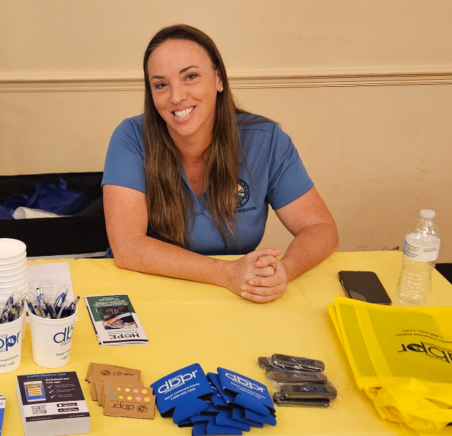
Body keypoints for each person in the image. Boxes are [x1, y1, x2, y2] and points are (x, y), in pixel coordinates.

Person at [102, 25, 338, 303]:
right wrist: (226, 273)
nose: (176, 97)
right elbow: (127, 247)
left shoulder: (266, 140)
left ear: (219, 79)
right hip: (150, 292)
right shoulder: (130, 136)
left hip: (236, 296)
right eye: (161, 85)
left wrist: (285, 270)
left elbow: (321, 227)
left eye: (190, 76)